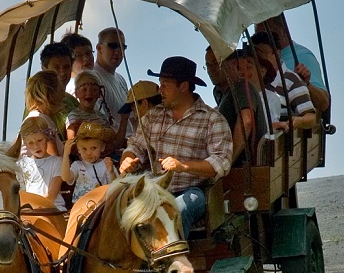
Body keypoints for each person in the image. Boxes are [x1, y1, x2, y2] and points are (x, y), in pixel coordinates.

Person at [119, 56, 233, 237]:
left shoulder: (212, 119)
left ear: (183, 86)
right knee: (118, 215)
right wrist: (127, 159)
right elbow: (136, 146)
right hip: (154, 190)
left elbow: (221, 163)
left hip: (193, 191)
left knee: (176, 212)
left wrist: (183, 166)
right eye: (160, 83)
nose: (160, 89)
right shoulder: (154, 116)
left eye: (166, 84)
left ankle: (173, 260)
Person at [257, 15, 330, 115]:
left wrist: (305, 84)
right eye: (259, 34)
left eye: (269, 33)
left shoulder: (303, 56)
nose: (263, 39)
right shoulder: (253, 59)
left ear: (284, 31)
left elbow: (323, 103)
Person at [250, 32, 318, 131]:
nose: (258, 59)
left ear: (277, 54)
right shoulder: (251, 79)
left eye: (261, 55)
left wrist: (296, 121)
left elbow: (310, 118)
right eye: (253, 55)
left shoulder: (291, 80)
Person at [218, 48, 271, 162]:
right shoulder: (223, 92)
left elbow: (246, 121)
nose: (211, 69)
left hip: (242, 166)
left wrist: (227, 162)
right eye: (208, 65)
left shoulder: (241, 86)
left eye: (216, 64)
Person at [17, 116, 66, 211]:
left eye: (39, 140)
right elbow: (20, 192)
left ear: (46, 138)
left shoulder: (56, 162)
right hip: (28, 210)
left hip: (52, 207)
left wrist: (35, 207)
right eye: (31, 143)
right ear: (25, 144)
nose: (36, 146)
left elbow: (52, 195)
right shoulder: (20, 165)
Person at [61, 121, 117, 200]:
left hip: (101, 205)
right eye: (84, 149)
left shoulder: (106, 165)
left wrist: (111, 172)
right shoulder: (77, 165)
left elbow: (115, 185)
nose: (88, 153)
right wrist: (66, 155)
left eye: (94, 148)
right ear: (78, 150)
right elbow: (66, 178)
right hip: (81, 206)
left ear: (102, 147)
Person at [39, 41, 77, 123]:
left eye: (66, 67)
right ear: (44, 69)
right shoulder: (39, 103)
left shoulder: (72, 102)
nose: (62, 72)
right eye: (56, 67)